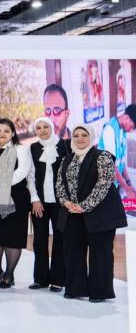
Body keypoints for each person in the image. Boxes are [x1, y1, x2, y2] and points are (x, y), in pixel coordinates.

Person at [57, 125, 127, 303]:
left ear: (92, 137)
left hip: (100, 214)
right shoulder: (67, 159)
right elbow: (60, 184)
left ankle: (100, 292)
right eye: (76, 135)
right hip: (72, 213)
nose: (80, 138)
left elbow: (103, 184)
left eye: (84, 135)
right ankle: (75, 288)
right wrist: (66, 202)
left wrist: (84, 206)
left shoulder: (103, 156)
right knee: (73, 251)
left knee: (101, 254)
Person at [0, 118, 38, 289]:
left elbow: (23, 171)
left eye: (6, 131)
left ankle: (9, 274)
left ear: (13, 133)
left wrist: (0, 185)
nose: (2, 134)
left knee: (12, 237)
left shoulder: (21, 149)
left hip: (16, 197)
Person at [29, 117, 69, 292]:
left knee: (60, 239)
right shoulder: (33, 148)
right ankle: (40, 279)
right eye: (38, 127)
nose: (43, 130)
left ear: (52, 128)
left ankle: (58, 280)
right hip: (40, 202)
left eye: (46, 126)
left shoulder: (65, 146)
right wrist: (35, 199)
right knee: (39, 239)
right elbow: (30, 176)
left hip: (61, 202)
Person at [98, 104, 136, 199]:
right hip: (104, 186)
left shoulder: (122, 131)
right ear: (127, 118)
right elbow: (111, 166)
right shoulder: (110, 130)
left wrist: (129, 184)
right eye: (132, 127)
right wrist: (127, 190)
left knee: (128, 204)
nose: (131, 130)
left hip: (115, 183)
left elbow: (121, 162)